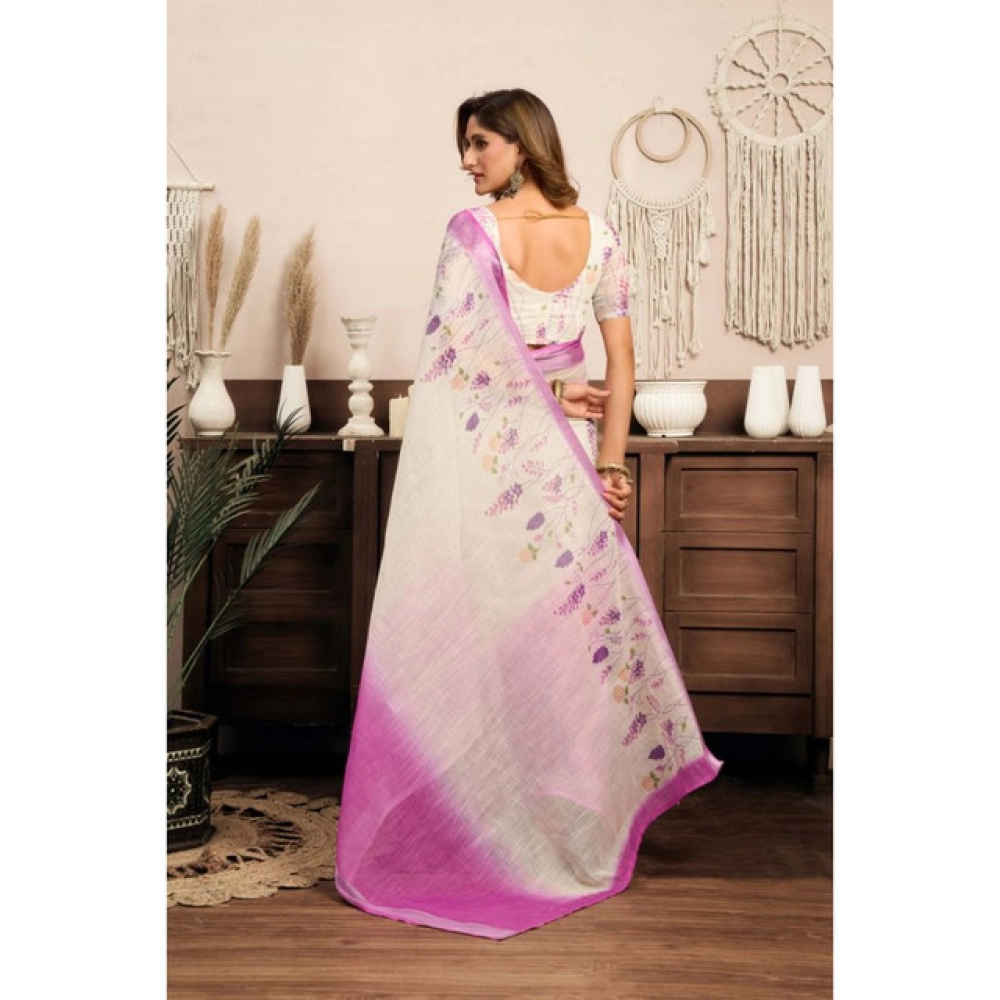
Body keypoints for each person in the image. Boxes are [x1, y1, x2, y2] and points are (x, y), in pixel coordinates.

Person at [335, 88, 720, 940]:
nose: (466, 161)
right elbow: (622, 363)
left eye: (479, 143)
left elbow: (458, 372)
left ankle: (507, 823)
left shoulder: (471, 235)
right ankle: (549, 825)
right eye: (465, 146)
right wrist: (610, 463)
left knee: (498, 637)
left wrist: (562, 413)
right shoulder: (600, 236)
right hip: (572, 458)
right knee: (558, 642)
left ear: (521, 142)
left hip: (499, 465)